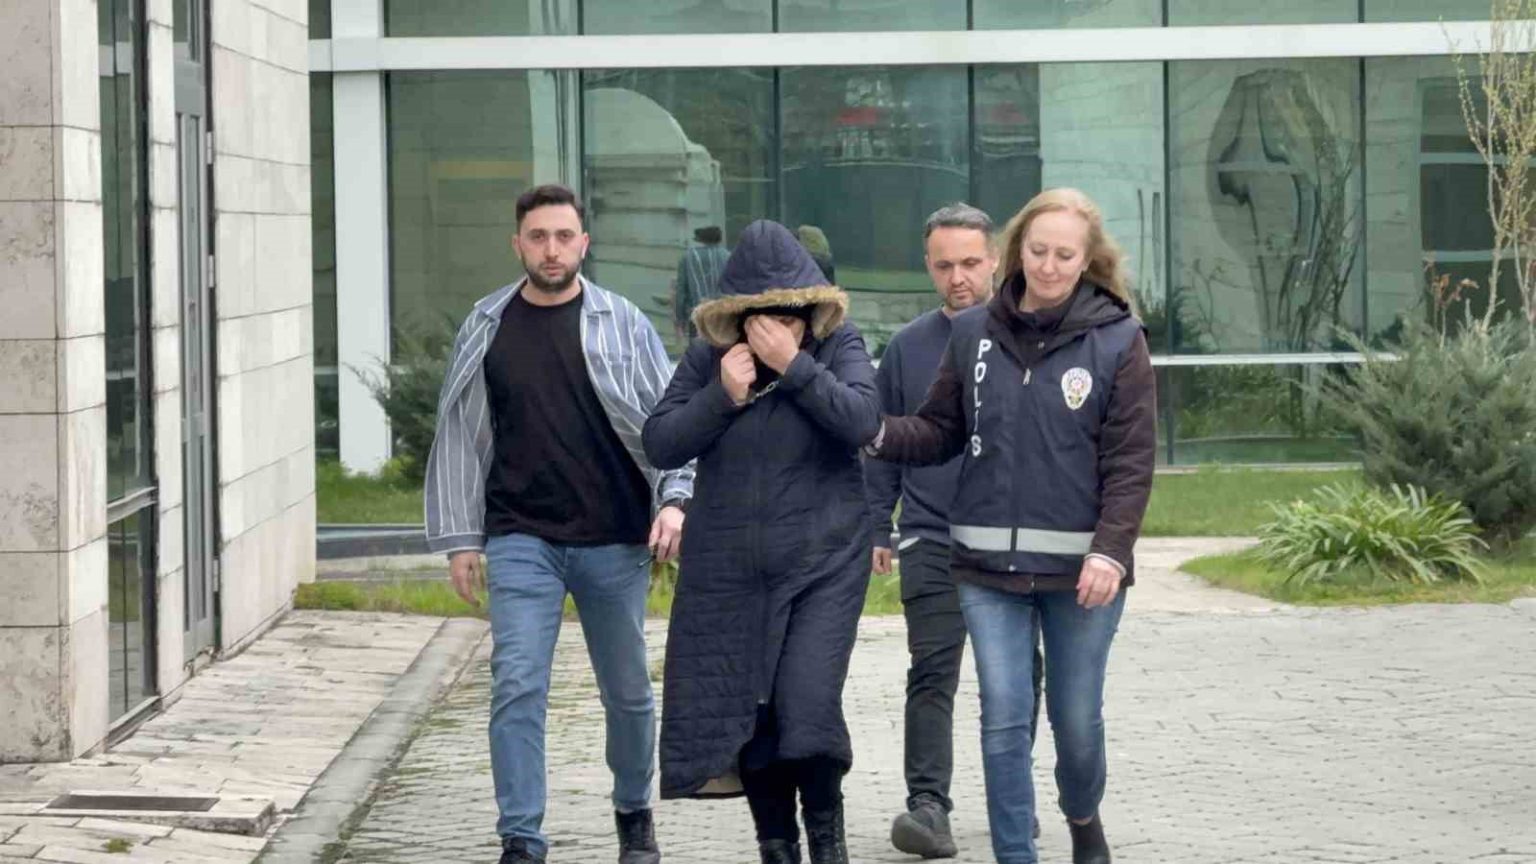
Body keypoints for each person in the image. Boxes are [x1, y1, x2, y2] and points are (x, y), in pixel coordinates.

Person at [866, 187, 1157, 864]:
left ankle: (1081, 815)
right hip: (985, 568)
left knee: (1075, 722)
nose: (1049, 266)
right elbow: (938, 431)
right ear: (1017, 250)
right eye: (1038, 250)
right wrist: (873, 431)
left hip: (1082, 574)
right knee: (1003, 716)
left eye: (1065, 255)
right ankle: (1015, 854)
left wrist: (1111, 552)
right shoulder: (973, 334)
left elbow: (1131, 461)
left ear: (1087, 260)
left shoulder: (1119, 341)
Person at [423, 183, 694, 864]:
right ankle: (521, 837)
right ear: (517, 244)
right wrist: (461, 539)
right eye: (538, 237)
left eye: (564, 236)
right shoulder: (487, 324)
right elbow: (461, 434)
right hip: (522, 538)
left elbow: (669, 421)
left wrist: (675, 499)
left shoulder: (621, 321)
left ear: (583, 244)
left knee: (628, 693)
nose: (552, 249)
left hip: (615, 539)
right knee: (516, 683)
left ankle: (634, 813)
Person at [642, 219, 880, 864]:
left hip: (823, 563)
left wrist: (793, 368)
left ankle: (827, 843)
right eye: (764, 318)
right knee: (752, 711)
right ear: (737, 317)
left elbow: (862, 421)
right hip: (730, 569)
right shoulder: (708, 359)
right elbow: (661, 442)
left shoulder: (838, 346)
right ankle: (777, 847)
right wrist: (722, 395)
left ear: (812, 309)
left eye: (792, 316)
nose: (779, 327)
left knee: (807, 705)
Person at [867, 202, 1036, 859]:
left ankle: (1012, 799)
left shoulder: (1029, 336)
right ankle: (928, 806)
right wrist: (878, 524)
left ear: (995, 260)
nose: (957, 277)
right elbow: (883, 439)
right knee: (932, 670)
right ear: (928, 266)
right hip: (932, 534)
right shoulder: (907, 347)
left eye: (969, 263)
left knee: (1016, 679)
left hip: (1015, 540)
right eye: (944, 266)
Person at [674, 225, 730, 342]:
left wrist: (680, 320)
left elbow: (681, 291)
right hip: (723, 317)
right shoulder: (727, 256)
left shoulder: (688, 257)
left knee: (698, 349)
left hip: (697, 317)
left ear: (700, 240)